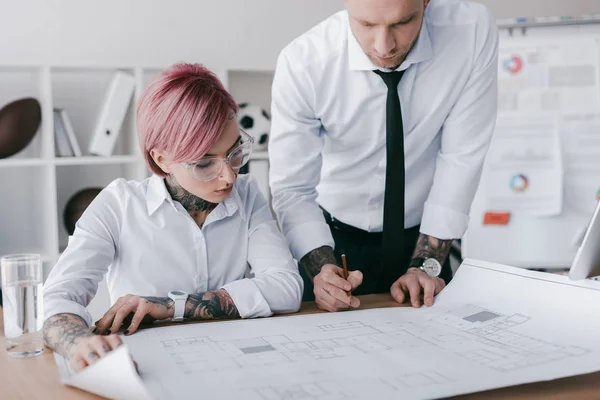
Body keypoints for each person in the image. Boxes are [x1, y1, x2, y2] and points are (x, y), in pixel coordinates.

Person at [42, 63, 303, 372]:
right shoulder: (118, 205)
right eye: (205, 163)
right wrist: (78, 342)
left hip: (237, 365)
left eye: (235, 153)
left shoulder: (247, 195)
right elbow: (58, 297)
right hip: (153, 368)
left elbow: (286, 288)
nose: (229, 176)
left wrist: (169, 307)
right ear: (161, 158)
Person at [269, 0, 498, 312]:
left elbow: (461, 158)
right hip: (332, 242)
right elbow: (293, 188)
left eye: (402, 23)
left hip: (426, 239)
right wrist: (321, 270)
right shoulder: (304, 63)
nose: (384, 46)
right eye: (366, 24)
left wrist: (424, 266)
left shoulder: (470, 32)